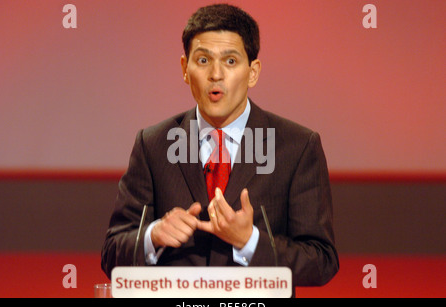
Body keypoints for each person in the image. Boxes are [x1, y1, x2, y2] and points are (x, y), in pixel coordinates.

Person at [101, 3, 339, 289]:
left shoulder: (297, 147)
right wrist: (153, 235)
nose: (216, 74)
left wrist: (248, 241)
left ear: (253, 72)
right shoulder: (153, 144)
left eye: (230, 61)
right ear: (184, 69)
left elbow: (321, 261)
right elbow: (112, 252)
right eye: (203, 61)